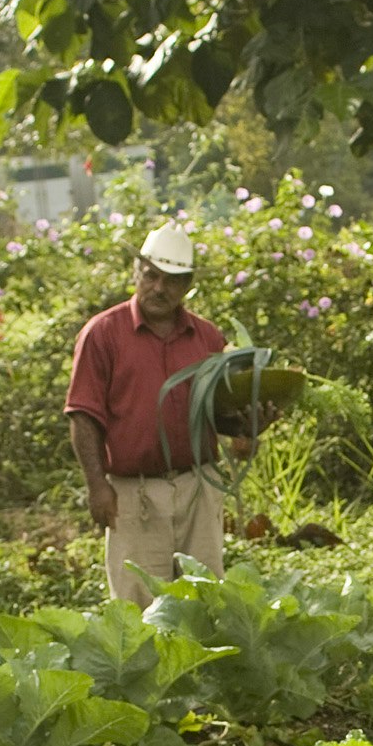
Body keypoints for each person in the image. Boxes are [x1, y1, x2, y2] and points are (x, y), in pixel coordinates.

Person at [66, 221, 233, 607]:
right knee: (138, 606)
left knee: (206, 603)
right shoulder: (103, 334)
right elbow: (82, 414)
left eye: (172, 280)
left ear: (187, 285)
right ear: (136, 273)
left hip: (197, 487)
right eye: (151, 275)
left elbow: (221, 412)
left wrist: (253, 423)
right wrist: (97, 485)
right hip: (133, 492)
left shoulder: (208, 338)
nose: (159, 288)